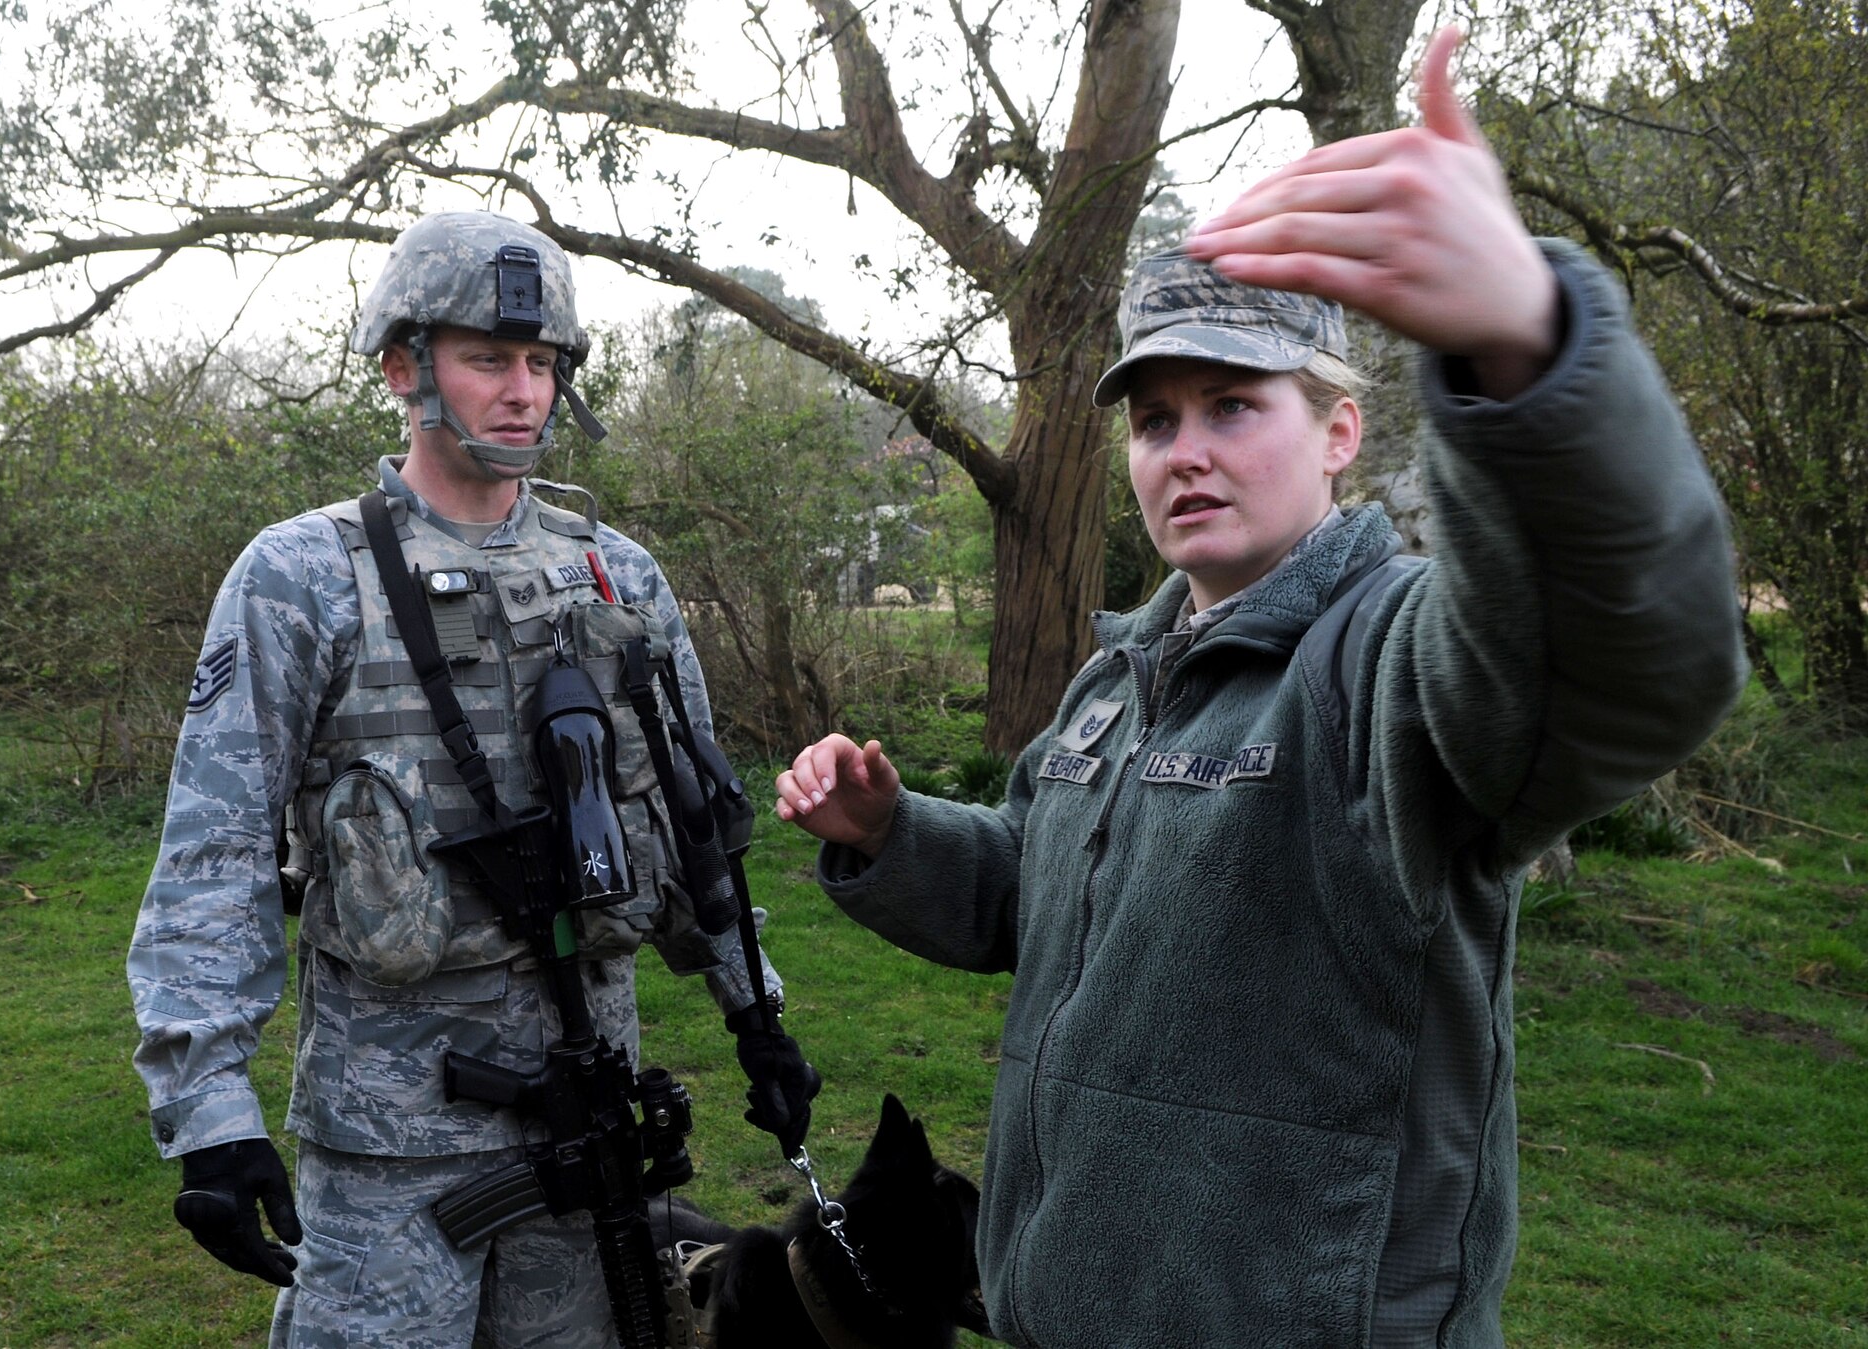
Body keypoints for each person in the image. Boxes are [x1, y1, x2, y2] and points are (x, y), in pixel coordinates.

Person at [773, 28, 1746, 1349]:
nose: (1186, 451)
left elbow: (1630, 653)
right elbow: (1038, 896)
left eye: (1235, 405)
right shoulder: (1124, 673)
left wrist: (1528, 343)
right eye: (1155, 418)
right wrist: (892, 836)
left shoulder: (1387, 667)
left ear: (1340, 430)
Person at [128, 210, 820, 1349]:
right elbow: (216, 850)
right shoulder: (302, 576)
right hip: (389, 1143)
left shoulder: (618, 574)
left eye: (542, 363)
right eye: (487, 357)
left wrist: (756, 1013)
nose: (522, 390)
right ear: (404, 367)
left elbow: (695, 828)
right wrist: (208, 1111)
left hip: (585, 1114)